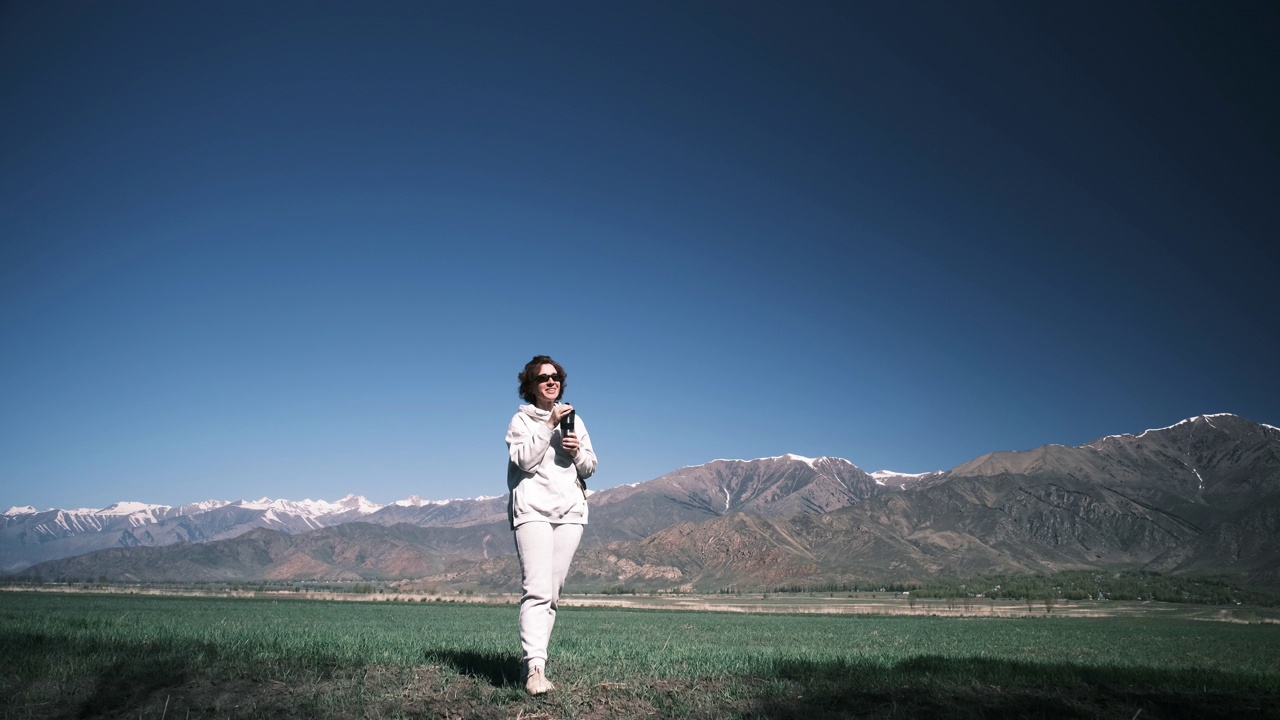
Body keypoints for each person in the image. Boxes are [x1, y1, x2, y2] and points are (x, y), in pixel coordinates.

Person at [505, 354, 597, 695]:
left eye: (556, 376)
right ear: (530, 385)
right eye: (543, 377)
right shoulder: (521, 421)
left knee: (553, 594)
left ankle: (532, 661)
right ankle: (535, 671)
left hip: (570, 512)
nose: (551, 381)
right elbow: (525, 460)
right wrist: (548, 425)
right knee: (537, 590)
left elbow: (589, 468)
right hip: (532, 510)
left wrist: (575, 453)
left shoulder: (575, 420)